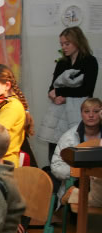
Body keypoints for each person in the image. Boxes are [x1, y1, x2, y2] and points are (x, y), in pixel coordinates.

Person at [39, 27, 98, 160]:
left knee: (75, 149)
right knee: (55, 151)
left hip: (78, 111)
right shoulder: (62, 63)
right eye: (62, 44)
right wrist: (54, 96)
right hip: (58, 112)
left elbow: (86, 89)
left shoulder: (90, 61)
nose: (64, 47)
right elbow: (52, 88)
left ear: (77, 42)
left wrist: (61, 93)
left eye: (67, 44)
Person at [51, 97, 102, 206]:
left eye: (96, 111)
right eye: (86, 111)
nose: (91, 115)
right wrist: (80, 172)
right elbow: (56, 167)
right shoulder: (69, 137)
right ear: (81, 114)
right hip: (77, 183)